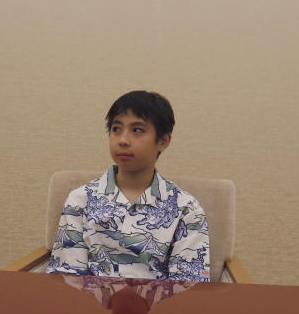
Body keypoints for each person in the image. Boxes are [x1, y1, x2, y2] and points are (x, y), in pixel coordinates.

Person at [46, 90, 210, 281]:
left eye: (137, 130)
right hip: (90, 307)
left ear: (163, 141)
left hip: (158, 309)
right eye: (116, 129)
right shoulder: (80, 199)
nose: (123, 140)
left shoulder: (186, 208)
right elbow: (67, 275)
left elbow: (188, 284)